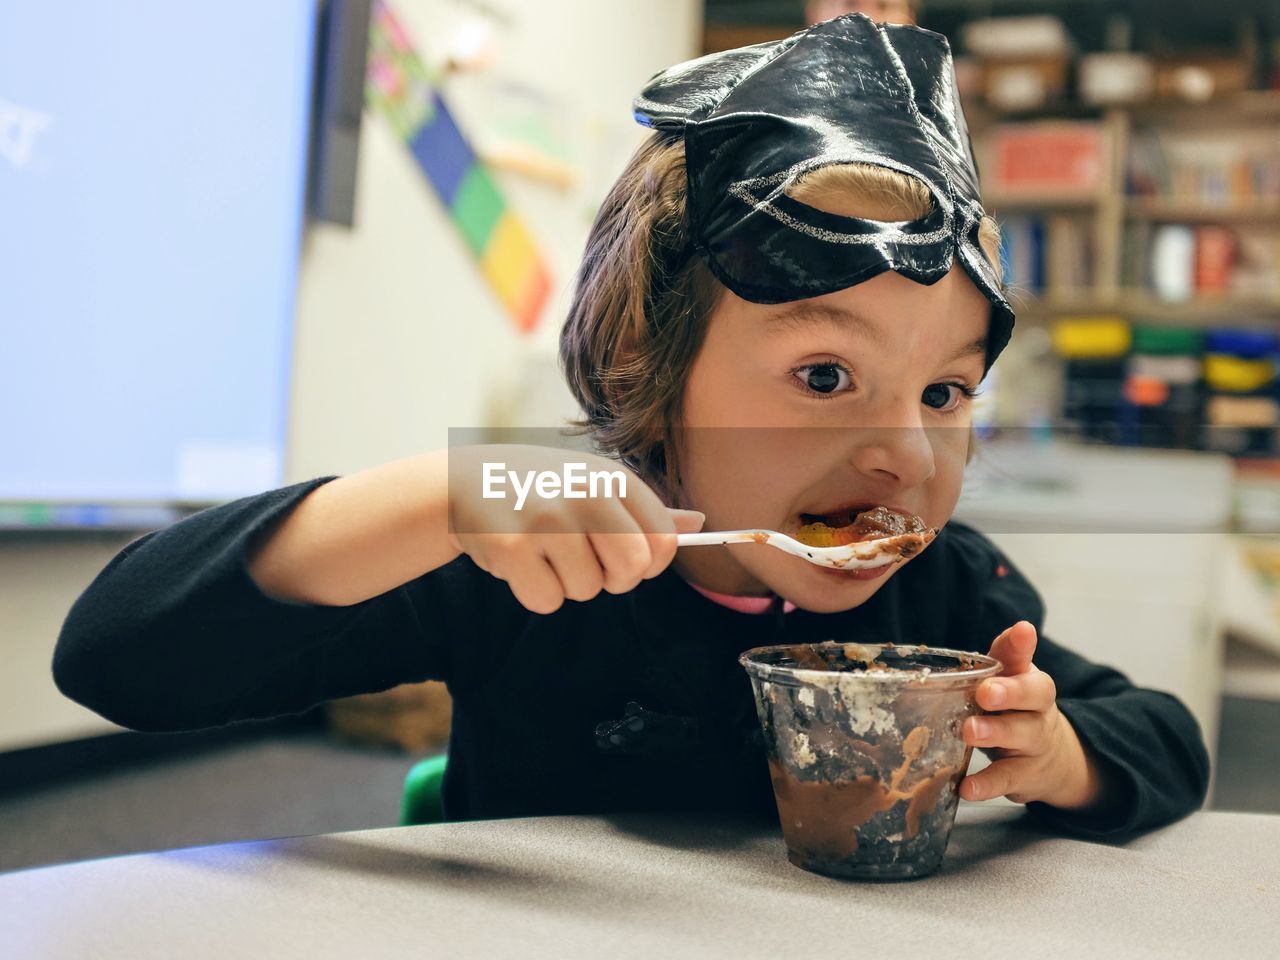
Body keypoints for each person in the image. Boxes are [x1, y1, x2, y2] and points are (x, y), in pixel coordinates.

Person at [54, 15, 1208, 838]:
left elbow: (1162, 737)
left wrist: (1059, 758)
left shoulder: (951, 597)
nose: (904, 453)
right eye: (822, 375)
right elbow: (116, 658)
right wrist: (437, 499)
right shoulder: (526, 567)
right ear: (640, 365)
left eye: (943, 394)